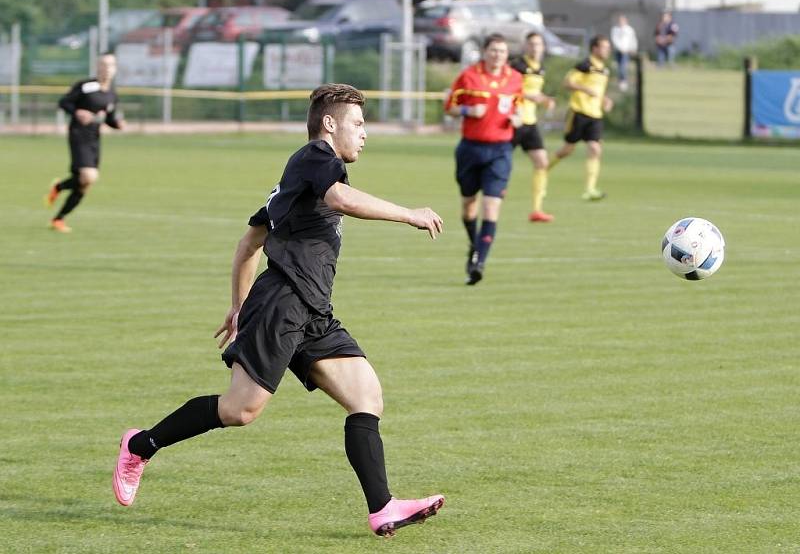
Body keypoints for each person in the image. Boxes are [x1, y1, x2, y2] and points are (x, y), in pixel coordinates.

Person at [112, 84, 445, 537]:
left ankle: (382, 508)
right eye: (359, 124)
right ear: (330, 124)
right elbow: (341, 201)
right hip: (284, 302)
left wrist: (237, 305)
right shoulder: (317, 158)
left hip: (312, 310)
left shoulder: (298, 176)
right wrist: (409, 213)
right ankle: (139, 445)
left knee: (366, 397)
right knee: (239, 410)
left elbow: (249, 243)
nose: (365, 134)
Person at [445, 33, 523, 285]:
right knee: (469, 206)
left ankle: (479, 262)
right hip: (470, 149)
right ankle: (473, 242)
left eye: (502, 51)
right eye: (493, 50)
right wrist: (468, 110)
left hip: (500, 150)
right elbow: (450, 106)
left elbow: (518, 105)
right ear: (485, 52)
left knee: (491, 206)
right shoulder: (469, 76)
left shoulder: (515, 79)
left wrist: (518, 119)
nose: (498, 55)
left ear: (506, 54)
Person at [44, 52, 126, 233]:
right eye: (103, 65)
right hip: (78, 134)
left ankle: (58, 217)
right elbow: (64, 102)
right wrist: (77, 113)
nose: (106, 68)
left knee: (85, 183)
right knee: (89, 176)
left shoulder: (112, 94)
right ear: (97, 67)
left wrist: (116, 124)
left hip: (94, 138)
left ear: (115, 69)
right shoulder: (87, 86)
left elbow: (108, 118)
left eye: (110, 65)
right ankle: (59, 190)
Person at [548, 35, 613, 201]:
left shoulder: (604, 70)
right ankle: (544, 169)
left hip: (595, 115)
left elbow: (599, 91)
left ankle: (590, 189)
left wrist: (605, 100)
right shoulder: (585, 65)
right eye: (604, 47)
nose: (607, 50)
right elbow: (567, 83)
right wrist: (585, 89)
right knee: (567, 150)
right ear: (595, 48)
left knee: (595, 148)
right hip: (579, 113)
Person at [509, 32, 557, 223]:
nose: (535, 48)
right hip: (514, 120)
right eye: (531, 44)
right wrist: (533, 97)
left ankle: (537, 209)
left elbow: (533, 92)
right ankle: (491, 194)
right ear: (525, 46)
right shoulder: (517, 65)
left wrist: (544, 99)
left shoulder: (540, 68)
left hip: (530, 122)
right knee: (499, 162)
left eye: (538, 44)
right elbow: (510, 88)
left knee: (542, 162)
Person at [610, 14, 638, 91]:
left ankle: (624, 82)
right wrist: (620, 48)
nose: (621, 22)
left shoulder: (629, 30)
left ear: (626, 21)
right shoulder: (615, 29)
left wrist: (633, 48)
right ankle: (620, 81)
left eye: (623, 20)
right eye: (620, 20)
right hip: (618, 51)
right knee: (619, 67)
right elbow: (614, 39)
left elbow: (633, 39)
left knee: (623, 66)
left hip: (626, 51)